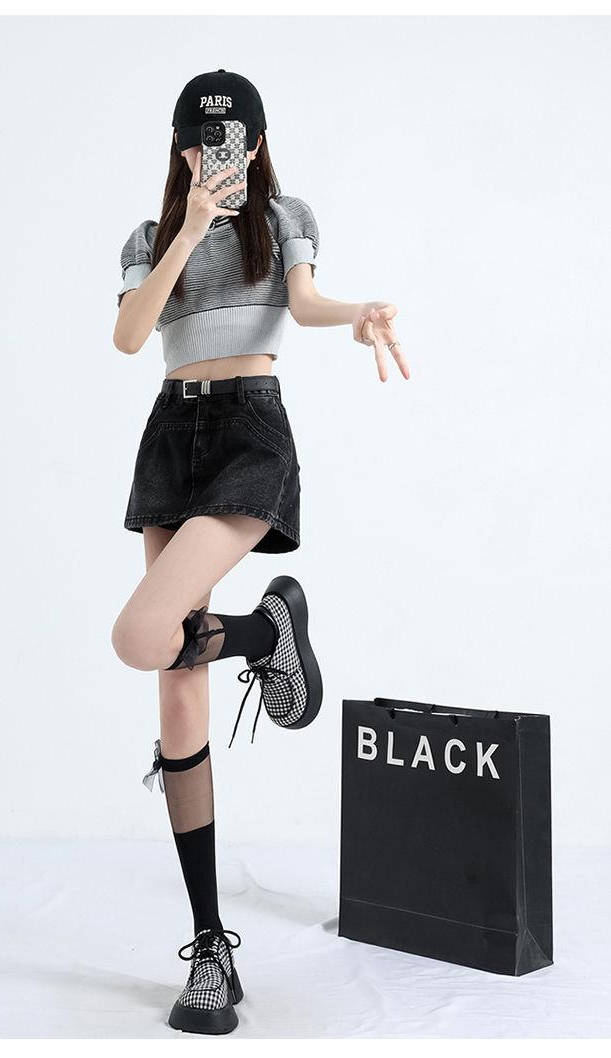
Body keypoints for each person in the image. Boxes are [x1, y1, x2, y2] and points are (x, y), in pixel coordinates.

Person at [111, 68, 409, 1036]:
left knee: (140, 633)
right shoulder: (150, 237)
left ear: (259, 142)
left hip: (249, 428)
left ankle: (263, 630)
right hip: (172, 435)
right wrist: (189, 227)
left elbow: (307, 304)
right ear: (181, 148)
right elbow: (129, 337)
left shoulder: (283, 219)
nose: (219, 155)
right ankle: (210, 946)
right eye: (203, 142)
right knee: (174, 689)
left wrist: (358, 312)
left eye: (233, 138)